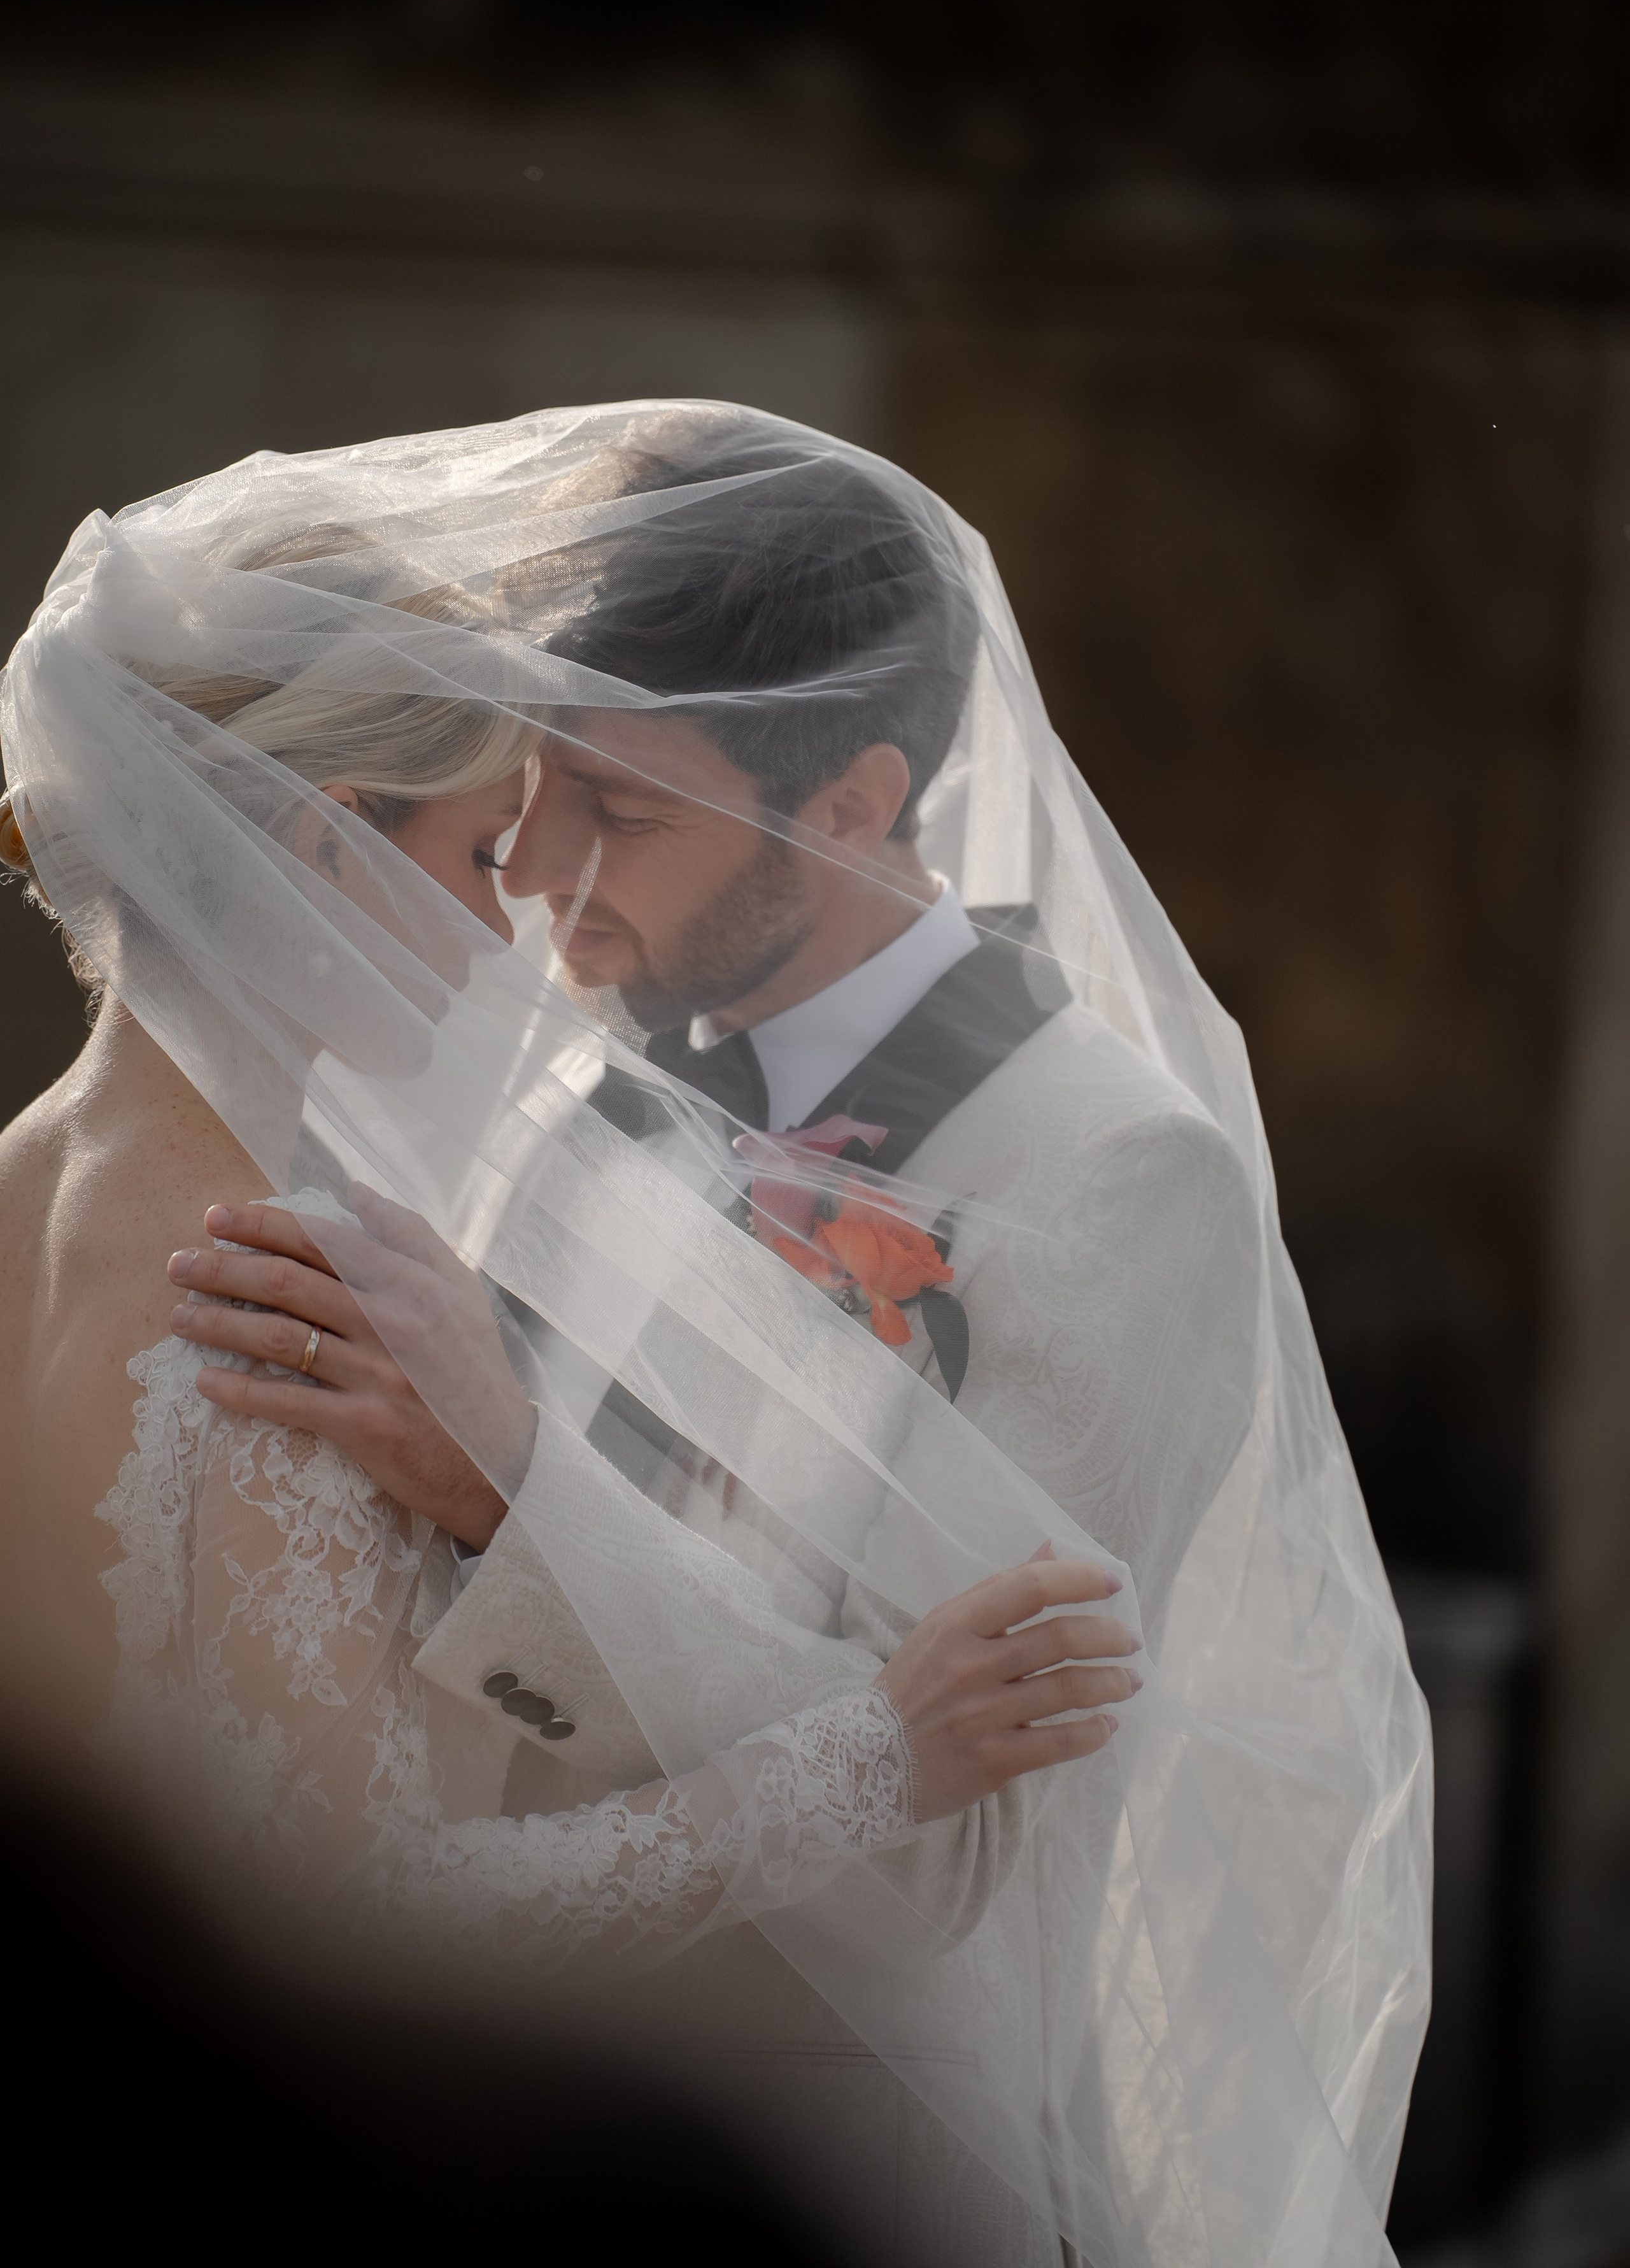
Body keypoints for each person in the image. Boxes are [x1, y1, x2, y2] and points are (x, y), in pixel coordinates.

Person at [2, 405, 1429, 2266]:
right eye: (534, 798)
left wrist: (515, 1490)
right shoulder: (516, 1093)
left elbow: (970, 1837)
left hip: (833, 2157)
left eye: (626, 814)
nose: (545, 880)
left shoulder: (1111, 1179)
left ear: (854, 798)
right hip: (441, 2111)